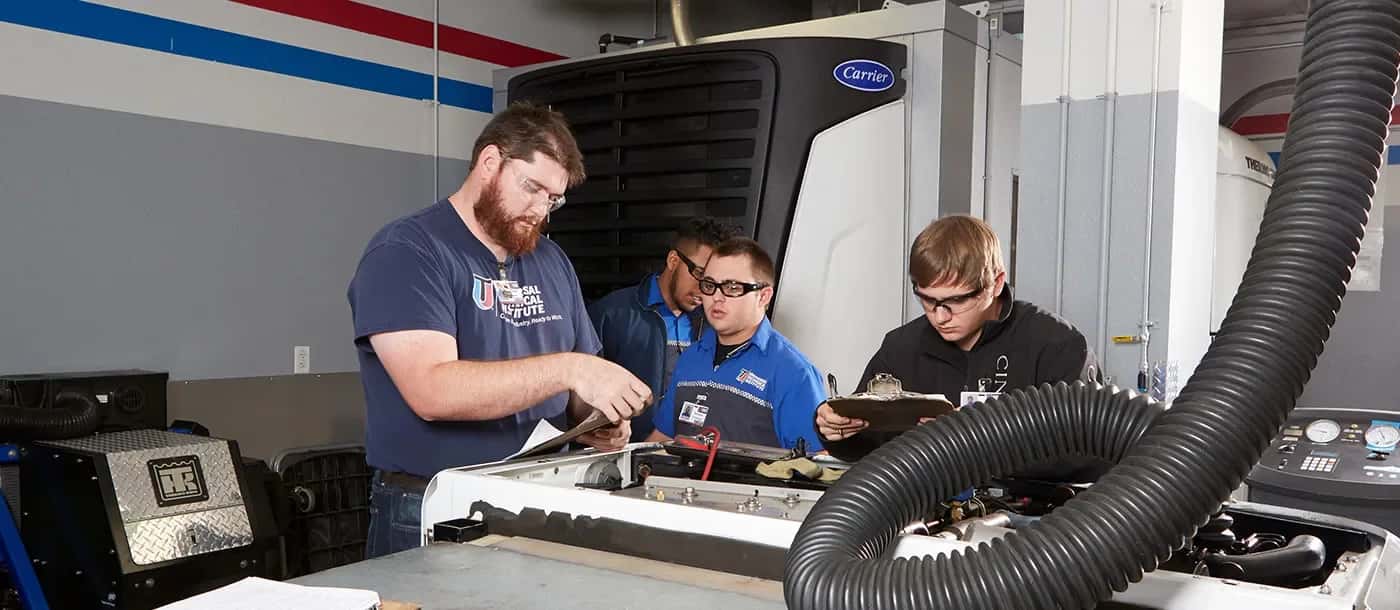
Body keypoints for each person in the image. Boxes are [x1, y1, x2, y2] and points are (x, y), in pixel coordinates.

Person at [347, 102, 652, 557]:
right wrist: (570, 369)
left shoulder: (550, 260)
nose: (540, 210)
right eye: (532, 188)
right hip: (435, 504)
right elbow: (432, 391)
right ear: (490, 162)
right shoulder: (407, 251)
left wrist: (594, 418)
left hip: (539, 496)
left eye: (553, 199)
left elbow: (573, 388)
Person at [815, 215, 1102, 478]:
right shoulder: (901, 348)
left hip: (1034, 511)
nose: (940, 317)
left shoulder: (1056, 345)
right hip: (923, 505)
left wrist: (979, 440)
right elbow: (868, 444)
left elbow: (1090, 452)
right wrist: (836, 431)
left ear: (996, 283)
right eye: (927, 299)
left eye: (956, 301)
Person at [645, 238, 826, 451]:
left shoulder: (793, 372)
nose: (716, 297)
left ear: (763, 296)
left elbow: (816, 460)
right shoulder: (691, 357)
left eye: (732, 287)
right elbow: (664, 437)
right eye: (710, 285)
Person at [587, 217, 739, 441]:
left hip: (694, 455)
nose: (705, 290)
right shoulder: (610, 314)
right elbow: (582, 397)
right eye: (700, 274)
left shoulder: (718, 325)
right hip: (622, 453)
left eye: (715, 283)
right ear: (673, 260)